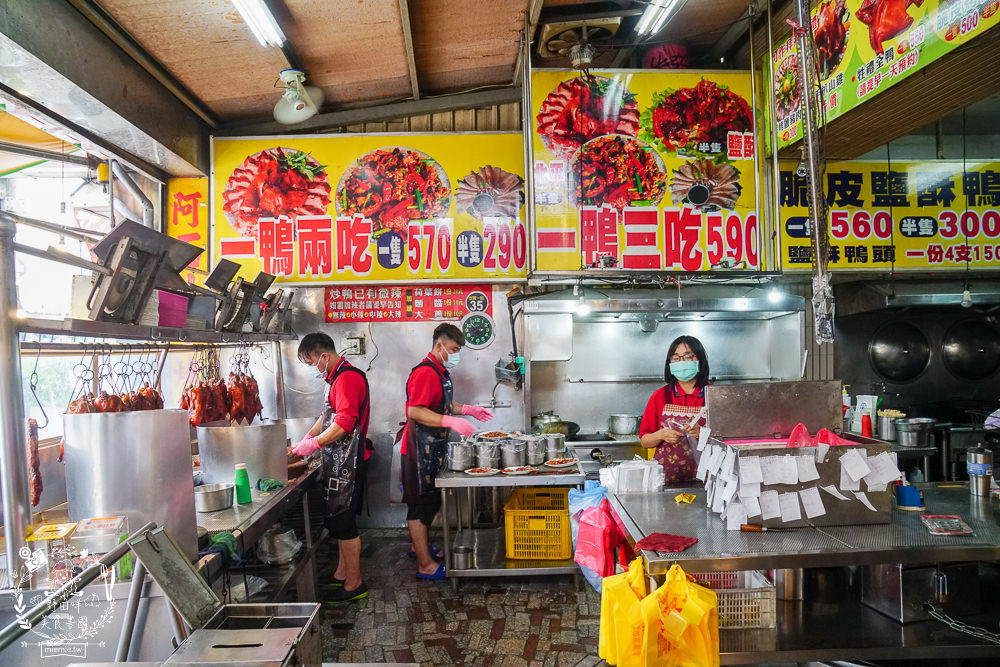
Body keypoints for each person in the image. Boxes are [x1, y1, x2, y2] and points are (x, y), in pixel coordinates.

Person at [402, 323, 493, 579]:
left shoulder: (440, 371)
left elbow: (443, 403)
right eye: (454, 349)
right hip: (419, 450)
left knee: (430, 501)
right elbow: (414, 410)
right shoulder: (424, 372)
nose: (456, 354)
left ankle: (418, 547)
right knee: (419, 506)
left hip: (433, 449)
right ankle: (425, 565)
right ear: (439, 345)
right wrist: (450, 422)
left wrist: (467, 410)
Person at [292, 333, 371, 603]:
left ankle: (354, 584)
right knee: (338, 522)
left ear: (324, 356)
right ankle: (341, 574)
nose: (312, 366)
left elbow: (345, 424)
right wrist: (305, 439)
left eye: (311, 361)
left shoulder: (347, 378)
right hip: (338, 462)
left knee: (346, 525)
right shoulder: (334, 378)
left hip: (348, 463)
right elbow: (326, 418)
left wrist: (313, 444)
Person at [639, 335, 710, 485]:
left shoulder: (715, 395)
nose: (681, 362)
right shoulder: (659, 396)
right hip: (667, 480)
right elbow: (645, 441)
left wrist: (704, 434)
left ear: (700, 360)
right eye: (676, 358)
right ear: (670, 363)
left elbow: (732, 439)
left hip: (709, 482)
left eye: (688, 356)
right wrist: (661, 434)